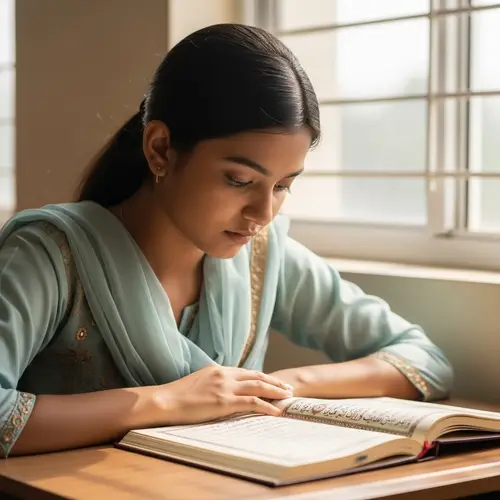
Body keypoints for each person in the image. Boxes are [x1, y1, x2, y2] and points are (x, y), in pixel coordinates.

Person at [0, 23, 453, 459]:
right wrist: (167, 402)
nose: (263, 214)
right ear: (159, 148)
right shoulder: (48, 256)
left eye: (282, 186)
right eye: (239, 180)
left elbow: (422, 361)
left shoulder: (261, 256)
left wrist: (284, 384)